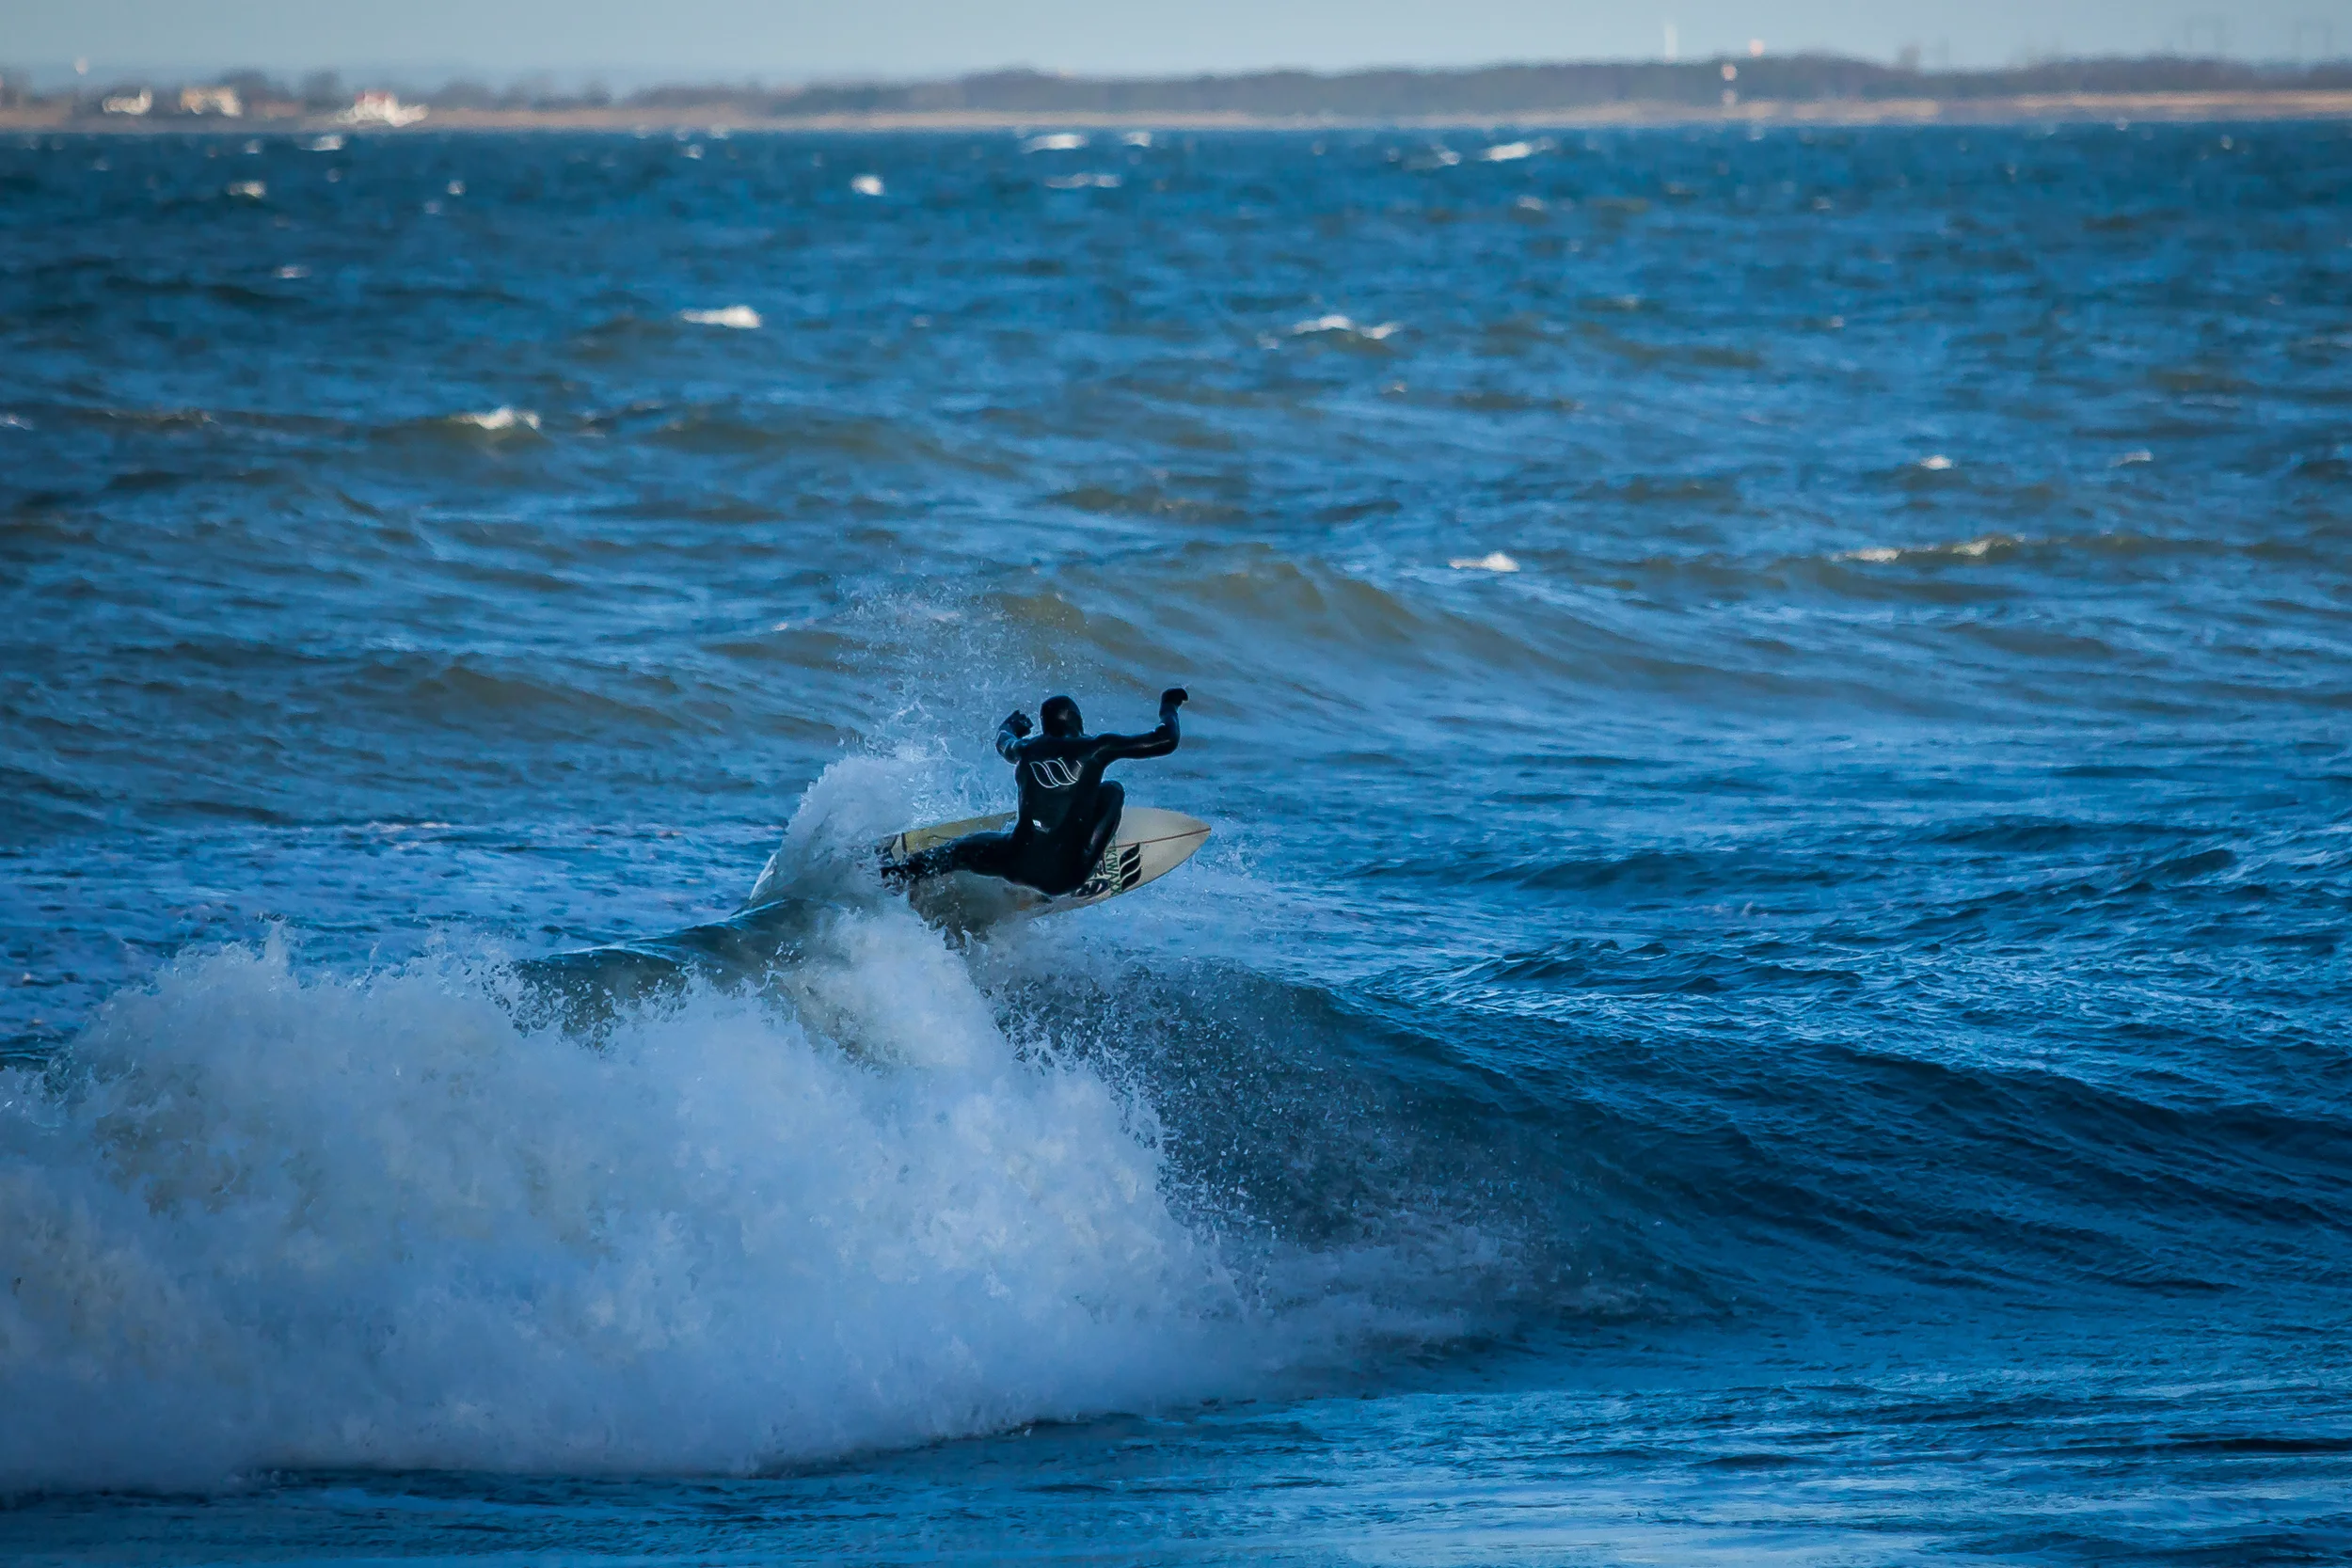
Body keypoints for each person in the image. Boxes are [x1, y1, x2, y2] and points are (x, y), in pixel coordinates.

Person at [887, 687, 1189, 896]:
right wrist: (1169, 704)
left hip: (1013, 864)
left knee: (957, 851)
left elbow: (1002, 741)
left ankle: (891, 877)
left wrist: (1010, 725)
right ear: (1076, 722)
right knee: (1112, 791)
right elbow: (1165, 741)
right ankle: (1091, 856)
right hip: (1065, 877)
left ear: (1045, 727)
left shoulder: (1026, 748)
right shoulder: (1096, 747)